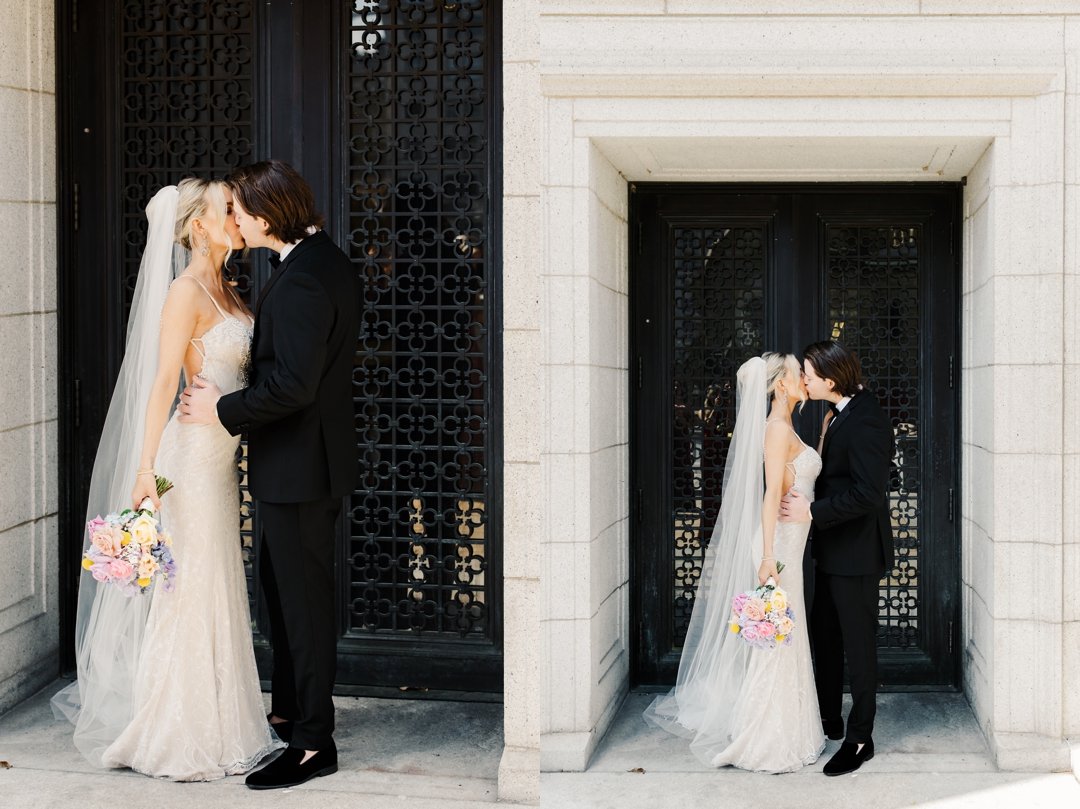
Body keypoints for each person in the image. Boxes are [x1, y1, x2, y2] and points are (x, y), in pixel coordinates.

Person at [53, 179, 283, 780]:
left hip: (222, 457)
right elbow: (161, 384)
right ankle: (178, 732)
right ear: (198, 226)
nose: (237, 217)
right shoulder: (184, 290)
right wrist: (144, 473)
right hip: (190, 459)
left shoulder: (228, 287)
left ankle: (226, 720)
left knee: (217, 582)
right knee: (190, 587)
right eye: (225, 210)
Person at [178, 159, 360, 790]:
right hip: (299, 465)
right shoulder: (315, 261)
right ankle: (289, 709)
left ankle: (314, 744)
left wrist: (222, 408)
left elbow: (293, 385)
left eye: (238, 211)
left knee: (303, 608)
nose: (232, 220)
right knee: (284, 597)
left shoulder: (306, 280)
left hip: (302, 468)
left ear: (264, 217)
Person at [644, 353, 826, 773]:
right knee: (778, 635)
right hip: (776, 547)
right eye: (799, 372)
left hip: (789, 543)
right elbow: (770, 494)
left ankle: (792, 725)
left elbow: (795, 482)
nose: (805, 378)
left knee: (787, 634)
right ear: (782, 384)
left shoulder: (789, 426)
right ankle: (765, 735)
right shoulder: (777, 429)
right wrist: (766, 557)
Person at [779, 340, 894, 776]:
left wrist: (812, 511)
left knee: (859, 647)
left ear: (829, 379)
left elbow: (869, 492)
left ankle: (860, 737)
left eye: (807, 373)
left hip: (858, 553)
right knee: (825, 638)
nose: (802, 379)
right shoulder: (834, 411)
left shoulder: (867, 420)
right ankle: (827, 718)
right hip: (828, 548)